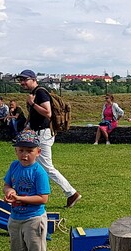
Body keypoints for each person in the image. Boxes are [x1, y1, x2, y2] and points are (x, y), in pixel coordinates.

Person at [0, 130, 52, 251]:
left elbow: (43, 198)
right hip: (15, 218)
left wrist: (20, 198)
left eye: (29, 151)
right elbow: (7, 185)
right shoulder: (14, 166)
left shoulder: (39, 172)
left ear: (38, 152)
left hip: (33, 219)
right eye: (21, 150)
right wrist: (9, 192)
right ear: (16, 151)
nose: (24, 155)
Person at [15, 69, 81, 208]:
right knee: (34, 166)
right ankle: (30, 195)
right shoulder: (35, 93)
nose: (22, 83)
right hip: (39, 133)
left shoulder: (40, 92)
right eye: (21, 80)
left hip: (43, 134)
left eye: (25, 80)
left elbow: (48, 113)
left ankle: (71, 193)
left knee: (47, 168)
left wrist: (32, 104)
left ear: (33, 79)